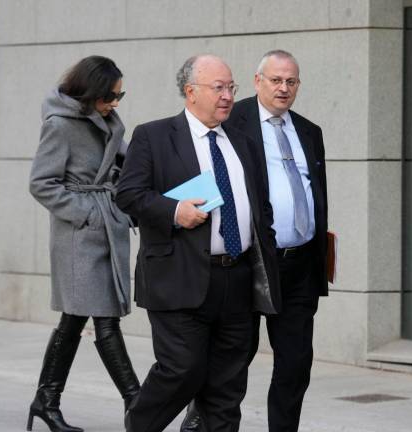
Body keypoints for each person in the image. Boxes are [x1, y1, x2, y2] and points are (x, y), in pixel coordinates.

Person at [115, 54, 280, 432]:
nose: (227, 96)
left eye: (231, 88)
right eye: (218, 88)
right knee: (182, 371)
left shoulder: (243, 140)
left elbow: (260, 205)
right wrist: (174, 211)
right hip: (179, 275)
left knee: (227, 387)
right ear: (191, 92)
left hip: (236, 280)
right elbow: (128, 194)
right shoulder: (154, 136)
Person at [181, 49, 327, 432]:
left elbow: (316, 194)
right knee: (234, 358)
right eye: (275, 80)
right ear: (257, 81)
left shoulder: (310, 131)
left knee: (295, 364)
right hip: (250, 260)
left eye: (291, 81)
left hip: (299, 265)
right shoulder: (233, 120)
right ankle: (202, 421)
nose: (283, 88)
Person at [28, 55, 139, 432]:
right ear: (91, 91)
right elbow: (41, 183)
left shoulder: (107, 120)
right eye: (111, 94)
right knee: (105, 319)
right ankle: (137, 403)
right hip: (79, 236)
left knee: (74, 321)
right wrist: (87, 213)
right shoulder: (60, 125)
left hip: (104, 227)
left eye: (120, 94)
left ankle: (45, 402)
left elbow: (122, 165)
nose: (116, 101)